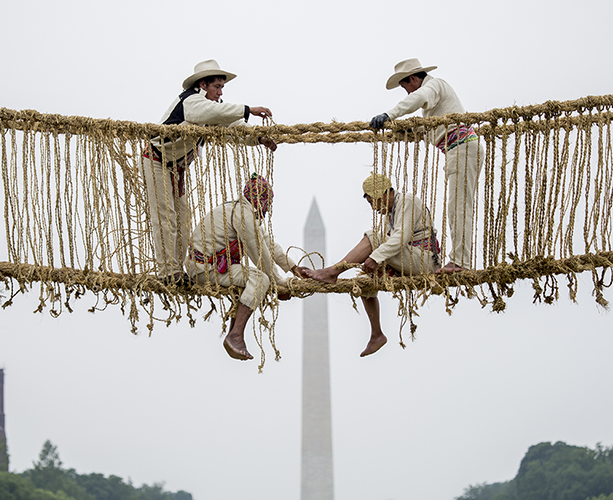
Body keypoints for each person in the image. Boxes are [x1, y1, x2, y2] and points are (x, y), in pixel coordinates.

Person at [141, 59, 277, 285]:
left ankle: (176, 270)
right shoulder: (192, 101)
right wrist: (248, 110)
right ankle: (168, 272)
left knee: (181, 219)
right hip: (157, 161)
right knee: (165, 218)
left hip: (175, 167)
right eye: (217, 87)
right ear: (203, 85)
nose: (220, 92)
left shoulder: (210, 109)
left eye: (222, 87)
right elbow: (212, 113)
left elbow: (232, 127)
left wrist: (258, 137)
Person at [301, 173, 440, 357]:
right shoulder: (391, 213)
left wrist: (375, 257)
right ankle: (376, 334)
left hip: (424, 260)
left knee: (374, 237)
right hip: (410, 258)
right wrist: (374, 261)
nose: (374, 208)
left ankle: (333, 271)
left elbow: (400, 238)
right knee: (365, 279)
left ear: (382, 194)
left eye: (372, 202)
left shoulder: (407, 201)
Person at [369, 58, 484, 273]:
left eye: (406, 87)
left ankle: (461, 262)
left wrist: (389, 115)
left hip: (461, 147)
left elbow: (418, 98)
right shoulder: (435, 99)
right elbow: (434, 128)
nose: (407, 94)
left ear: (413, 79)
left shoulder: (433, 86)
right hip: (457, 149)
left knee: (459, 207)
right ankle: (460, 260)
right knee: (456, 206)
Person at [186, 174, 301, 361]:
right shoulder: (243, 215)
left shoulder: (241, 210)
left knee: (251, 279)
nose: (268, 207)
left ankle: (233, 334)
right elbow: (259, 254)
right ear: (260, 199)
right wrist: (278, 283)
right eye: (268, 201)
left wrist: (294, 268)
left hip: (203, 267)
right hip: (205, 270)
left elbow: (267, 243)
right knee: (260, 279)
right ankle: (236, 335)